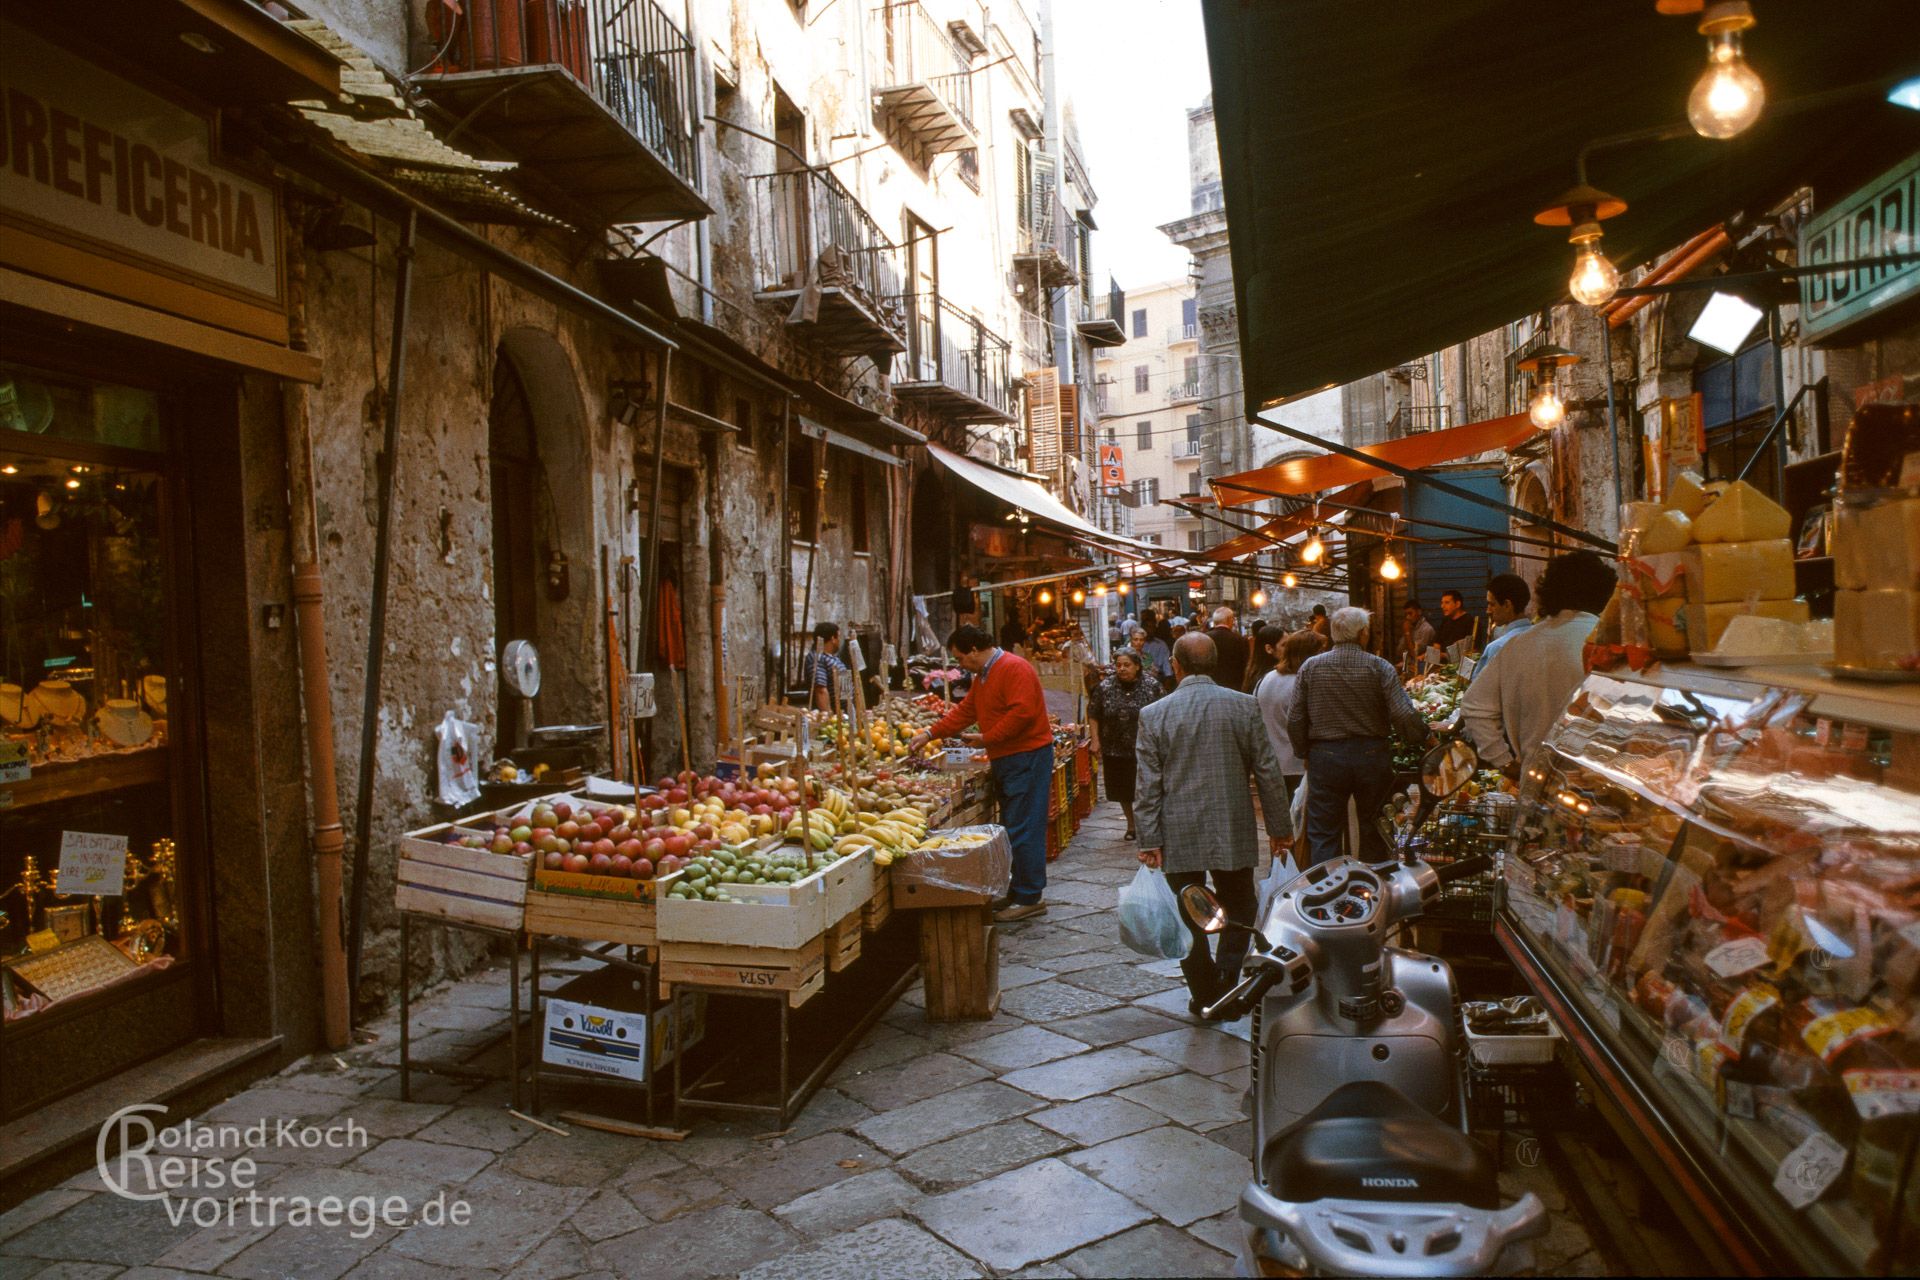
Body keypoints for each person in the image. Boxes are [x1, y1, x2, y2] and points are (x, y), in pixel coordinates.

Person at [1135, 633, 1292, 1018]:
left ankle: (1204, 990)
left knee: (1186, 911)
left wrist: (1148, 837)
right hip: (1231, 824)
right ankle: (1226, 980)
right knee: (1240, 905)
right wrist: (1279, 827)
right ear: (1216, 662)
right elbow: (1267, 770)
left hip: (1177, 829)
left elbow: (1148, 783)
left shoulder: (1154, 714)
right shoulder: (1243, 706)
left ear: (1176, 664)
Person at [908, 625, 1055, 921]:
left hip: (1026, 756)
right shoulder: (983, 676)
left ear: (975, 649)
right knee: (1013, 827)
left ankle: (1030, 896)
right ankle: (1018, 892)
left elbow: (1022, 714)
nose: (961, 665)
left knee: (1024, 828)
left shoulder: (1014, 668)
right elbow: (967, 711)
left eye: (961, 658)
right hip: (1009, 758)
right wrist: (930, 732)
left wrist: (987, 738)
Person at [1289, 606, 1433, 865]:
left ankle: (1329, 888)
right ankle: (1372, 885)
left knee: (1324, 831)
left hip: (1326, 757)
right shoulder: (1379, 667)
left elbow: (1296, 717)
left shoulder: (1311, 667)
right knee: (1373, 826)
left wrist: (1303, 751)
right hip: (1371, 756)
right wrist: (1424, 739)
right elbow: (1402, 714)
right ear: (1362, 634)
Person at [1462, 551, 1616, 776]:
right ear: (1603, 592)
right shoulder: (1612, 641)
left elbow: (1474, 707)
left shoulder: (1516, 646)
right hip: (1598, 781)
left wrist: (1504, 762)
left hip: (1536, 782)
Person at [1090, 650, 1163, 840]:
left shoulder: (1151, 685)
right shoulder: (1105, 687)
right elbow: (1094, 714)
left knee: (1147, 786)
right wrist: (1095, 740)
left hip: (1146, 746)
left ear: (1137, 666)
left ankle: (1149, 823)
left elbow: (1164, 711)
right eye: (1119, 665)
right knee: (1123, 788)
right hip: (1115, 747)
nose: (1122, 669)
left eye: (1126, 665)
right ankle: (1131, 825)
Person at [1256, 627, 1327, 800]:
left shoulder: (1266, 679)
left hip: (1272, 763)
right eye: (1320, 652)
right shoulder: (1301, 683)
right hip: (1298, 765)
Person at [1471, 573, 1534, 685]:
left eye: (1492, 604)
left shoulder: (1497, 648)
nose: (1488, 611)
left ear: (1507, 605)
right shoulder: (1543, 638)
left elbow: (1478, 692)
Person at [801, 621, 847, 713]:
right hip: (835, 714)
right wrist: (829, 715)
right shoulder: (817, 657)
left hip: (845, 712)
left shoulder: (833, 657)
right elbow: (820, 690)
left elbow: (845, 687)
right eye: (838, 637)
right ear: (833, 638)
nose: (839, 640)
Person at [1207, 605, 1252, 693]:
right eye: (1233, 619)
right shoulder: (1240, 640)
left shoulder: (1205, 638)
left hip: (1211, 687)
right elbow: (1246, 665)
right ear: (1229, 620)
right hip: (1234, 687)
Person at [1401, 600, 1437, 672]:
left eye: (1410, 613)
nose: (1408, 617)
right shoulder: (1411, 627)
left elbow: (1415, 654)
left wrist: (1407, 633)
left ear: (1419, 612)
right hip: (1409, 664)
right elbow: (1402, 650)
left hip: (1423, 668)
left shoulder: (1426, 629)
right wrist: (1404, 666)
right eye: (1406, 614)